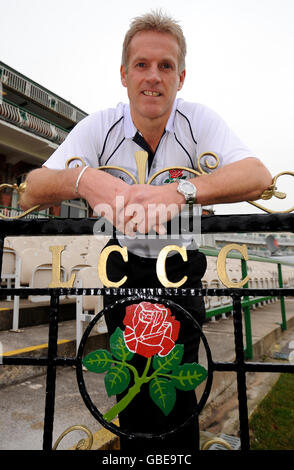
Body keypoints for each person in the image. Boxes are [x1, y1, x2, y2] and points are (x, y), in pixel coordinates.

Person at [20, 10, 272, 453]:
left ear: (182, 77)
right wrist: (85, 180)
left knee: (175, 394)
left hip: (180, 268)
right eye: (142, 64)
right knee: (129, 392)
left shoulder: (199, 120)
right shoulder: (100, 125)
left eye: (165, 66)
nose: (153, 77)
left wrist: (181, 192)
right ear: (123, 74)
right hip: (125, 268)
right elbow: (30, 190)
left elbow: (258, 175)